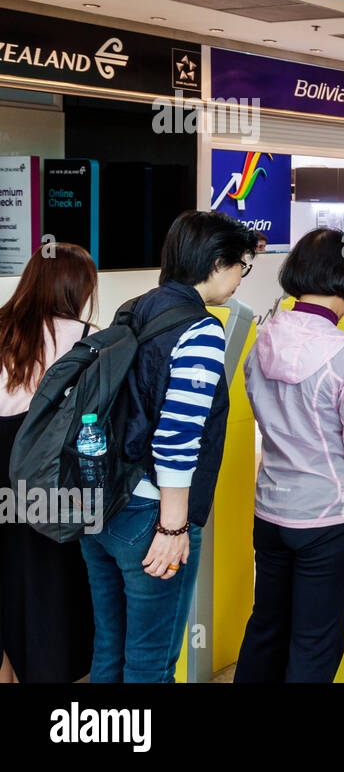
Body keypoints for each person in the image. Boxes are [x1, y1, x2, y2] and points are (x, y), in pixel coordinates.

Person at [80, 210, 257, 683]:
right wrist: (174, 527)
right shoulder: (200, 331)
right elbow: (178, 437)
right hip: (150, 518)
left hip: (101, 505)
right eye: (242, 264)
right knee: (151, 665)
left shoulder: (134, 308)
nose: (241, 276)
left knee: (109, 652)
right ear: (218, 263)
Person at [235, 229, 344, 683]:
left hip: (271, 511)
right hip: (330, 518)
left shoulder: (262, 339)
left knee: (266, 627)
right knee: (315, 642)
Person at [0, 244, 98, 683]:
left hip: (2, 466)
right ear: (77, 289)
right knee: (58, 577)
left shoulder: (2, 329)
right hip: (52, 474)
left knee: (10, 577)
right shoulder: (88, 339)